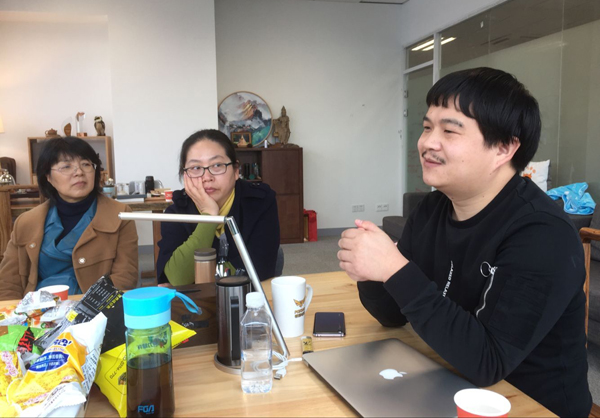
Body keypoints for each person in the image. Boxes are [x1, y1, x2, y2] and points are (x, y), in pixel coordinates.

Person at [337, 67, 591, 417]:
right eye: (427, 127)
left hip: (528, 404)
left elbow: (489, 362)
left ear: (504, 147)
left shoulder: (543, 234)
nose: (428, 143)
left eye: (449, 131)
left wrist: (395, 269)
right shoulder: (433, 209)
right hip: (449, 381)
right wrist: (371, 273)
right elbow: (392, 315)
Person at [0, 137, 139, 300]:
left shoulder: (120, 214)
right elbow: (8, 283)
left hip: (95, 309)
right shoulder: (26, 222)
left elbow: (125, 276)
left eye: (86, 164)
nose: (79, 172)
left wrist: (83, 310)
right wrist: (16, 314)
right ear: (48, 177)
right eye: (66, 166)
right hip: (36, 311)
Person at [156, 129, 280, 285]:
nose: (207, 177)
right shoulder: (176, 212)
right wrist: (209, 215)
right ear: (184, 175)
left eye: (217, 165)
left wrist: (199, 274)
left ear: (236, 171)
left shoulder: (260, 201)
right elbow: (178, 278)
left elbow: (259, 269)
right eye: (196, 168)